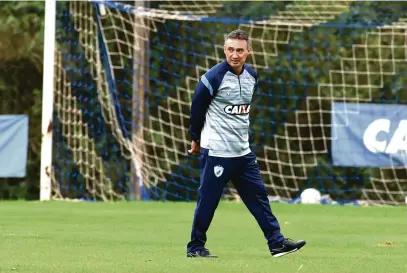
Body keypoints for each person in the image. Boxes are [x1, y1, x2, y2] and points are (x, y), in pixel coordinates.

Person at [186, 29, 306, 258]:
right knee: (208, 201)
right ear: (224, 50)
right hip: (217, 152)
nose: (234, 54)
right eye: (230, 49)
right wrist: (196, 139)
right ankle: (195, 247)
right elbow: (197, 110)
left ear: (248, 52)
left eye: (239, 50)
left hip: (242, 153)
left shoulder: (252, 76)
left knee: (259, 197)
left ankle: (277, 243)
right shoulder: (212, 79)